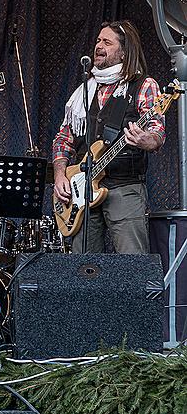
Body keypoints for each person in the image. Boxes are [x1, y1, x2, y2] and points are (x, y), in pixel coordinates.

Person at [52, 20, 165, 253]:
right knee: (83, 269)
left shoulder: (143, 85)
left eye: (107, 42)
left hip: (125, 188)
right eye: (97, 41)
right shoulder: (83, 91)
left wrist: (147, 140)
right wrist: (60, 175)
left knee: (132, 265)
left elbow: (156, 132)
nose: (98, 46)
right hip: (82, 192)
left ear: (124, 52)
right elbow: (63, 139)